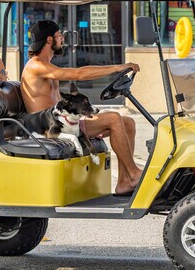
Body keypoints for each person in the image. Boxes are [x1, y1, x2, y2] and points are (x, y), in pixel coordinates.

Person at [20, 20, 142, 196]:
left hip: (65, 121)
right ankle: (134, 173)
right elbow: (79, 74)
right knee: (114, 118)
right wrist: (118, 67)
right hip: (52, 127)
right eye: (59, 35)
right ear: (49, 40)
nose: (62, 38)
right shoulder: (37, 66)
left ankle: (124, 181)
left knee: (128, 122)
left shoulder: (47, 66)